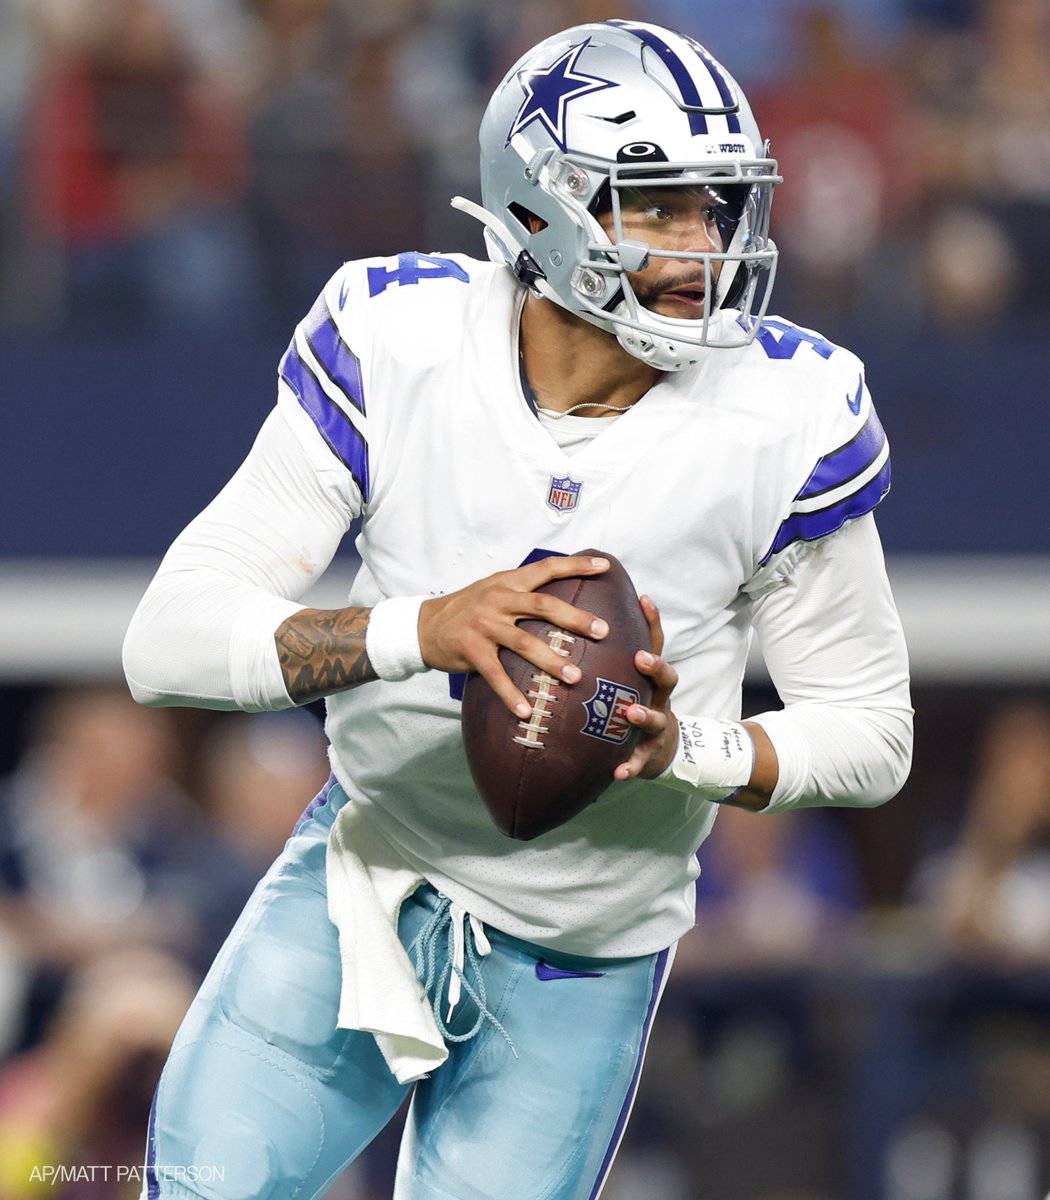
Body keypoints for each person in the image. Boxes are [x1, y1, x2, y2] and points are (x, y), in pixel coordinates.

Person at [122, 18, 913, 1199]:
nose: (705, 244)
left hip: (583, 953)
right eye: (657, 206)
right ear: (542, 209)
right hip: (366, 874)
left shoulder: (789, 409)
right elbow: (167, 641)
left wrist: (684, 749)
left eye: (716, 206)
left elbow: (873, 732)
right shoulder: (397, 337)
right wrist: (418, 630)